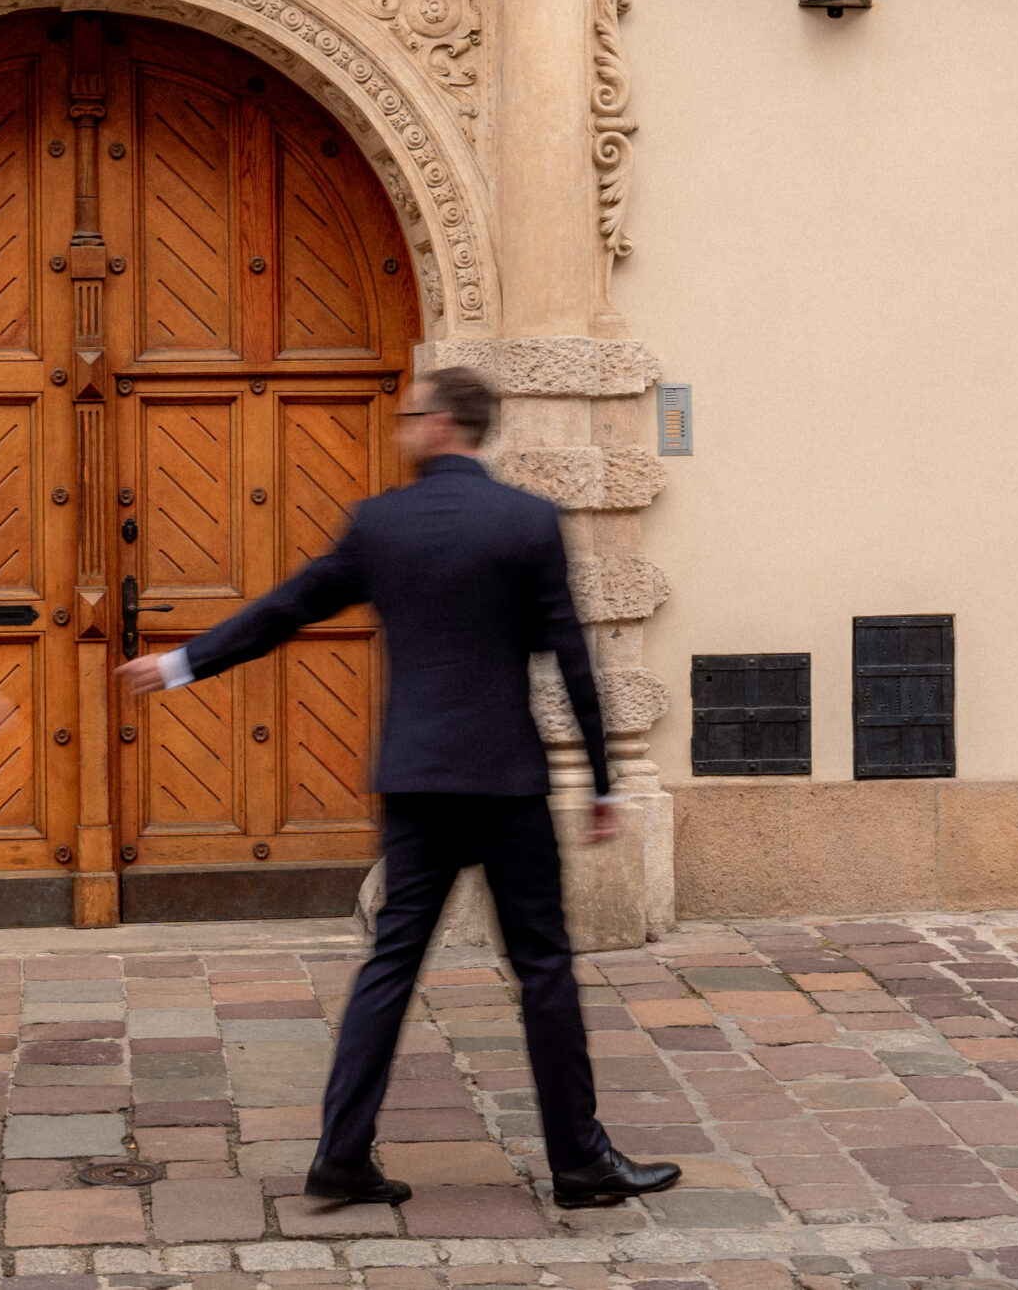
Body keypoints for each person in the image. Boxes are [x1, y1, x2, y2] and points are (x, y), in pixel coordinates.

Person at [118, 368, 681, 1211]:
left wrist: (181, 663)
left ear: (444, 423)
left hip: (417, 778)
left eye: (411, 415)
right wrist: (602, 781)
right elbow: (571, 653)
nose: (401, 428)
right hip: (505, 781)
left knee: (391, 964)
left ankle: (342, 1155)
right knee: (543, 967)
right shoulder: (527, 520)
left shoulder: (381, 522)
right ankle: (579, 1160)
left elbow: (289, 607)